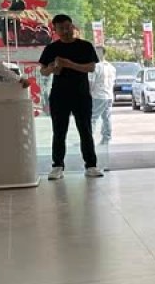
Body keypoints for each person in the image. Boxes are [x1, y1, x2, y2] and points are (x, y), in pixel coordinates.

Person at [39, 14, 102, 180]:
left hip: (81, 94)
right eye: (61, 28)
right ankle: (57, 166)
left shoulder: (85, 46)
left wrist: (69, 64)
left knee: (85, 130)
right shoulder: (51, 48)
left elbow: (91, 67)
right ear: (55, 30)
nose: (66, 31)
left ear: (72, 26)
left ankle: (91, 165)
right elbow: (43, 71)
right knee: (59, 132)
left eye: (68, 27)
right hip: (59, 95)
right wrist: (52, 68)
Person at [89, 45, 116, 147]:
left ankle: (88, 139)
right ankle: (106, 138)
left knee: (92, 118)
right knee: (106, 117)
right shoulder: (111, 67)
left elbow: (91, 82)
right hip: (109, 95)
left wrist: (88, 93)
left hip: (98, 96)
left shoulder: (95, 66)